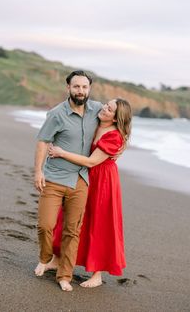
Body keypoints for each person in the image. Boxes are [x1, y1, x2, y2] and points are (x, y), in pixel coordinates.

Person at [49, 98, 132, 288]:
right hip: (84, 175)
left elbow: (91, 162)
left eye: (109, 109)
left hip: (102, 180)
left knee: (100, 222)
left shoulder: (114, 136)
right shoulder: (94, 119)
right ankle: (57, 259)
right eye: (105, 104)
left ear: (115, 118)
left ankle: (97, 274)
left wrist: (61, 153)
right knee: (69, 215)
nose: (104, 108)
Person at [34, 70, 102, 291]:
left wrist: (121, 145)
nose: (80, 91)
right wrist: (38, 172)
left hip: (81, 180)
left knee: (73, 231)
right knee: (45, 225)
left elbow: (120, 121)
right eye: (76, 87)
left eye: (84, 87)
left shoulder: (97, 110)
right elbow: (43, 142)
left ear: (89, 89)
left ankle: (64, 275)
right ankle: (45, 257)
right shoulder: (56, 114)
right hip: (54, 178)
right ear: (68, 88)